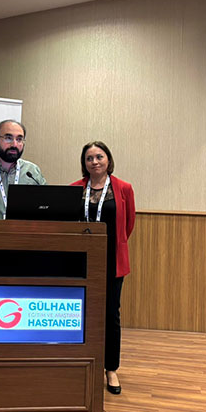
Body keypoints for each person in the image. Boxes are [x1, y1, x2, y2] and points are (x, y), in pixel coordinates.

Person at [71, 141, 135, 395]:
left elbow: (128, 224)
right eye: (89, 158)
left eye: (99, 157)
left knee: (110, 315)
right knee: (81, 312)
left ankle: (111, 368)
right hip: (81, 260)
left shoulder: (123, 188)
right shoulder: (75, 189)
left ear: (108, 159)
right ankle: (83, 363)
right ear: (84, 163)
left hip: (111, 261)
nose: (94, 162)